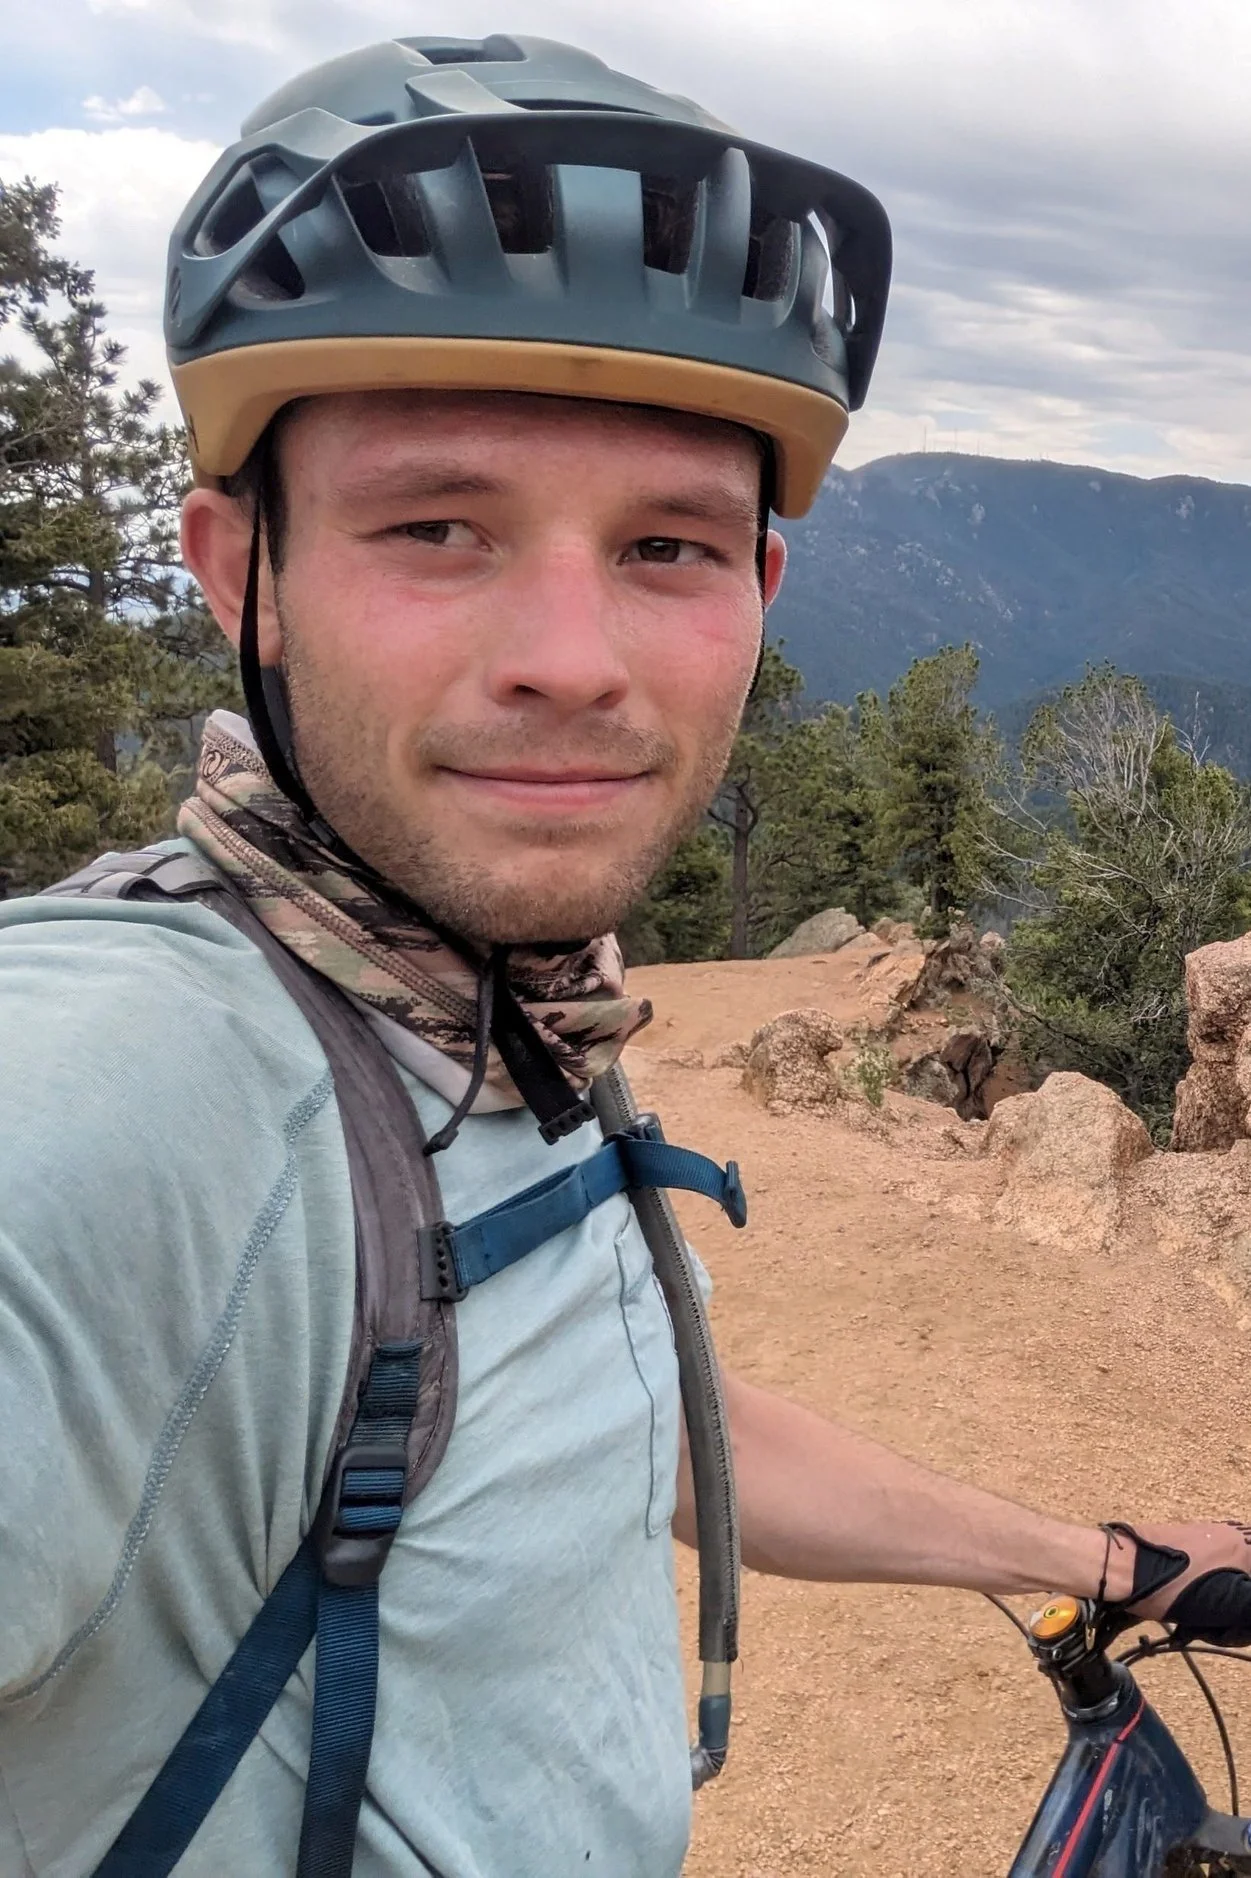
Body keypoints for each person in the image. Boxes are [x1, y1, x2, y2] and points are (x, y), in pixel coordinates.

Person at [1, 32, 1249, 1878]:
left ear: (756, 593)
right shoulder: (127, 1091)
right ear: (233, 566)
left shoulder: (487, 1017)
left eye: (664, 545)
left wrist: (1099, 1559)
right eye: (439, 525)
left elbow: (633, 1423)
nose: (572, 658)